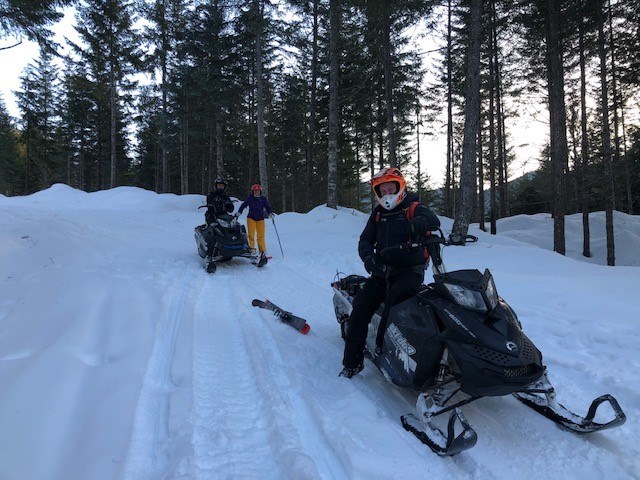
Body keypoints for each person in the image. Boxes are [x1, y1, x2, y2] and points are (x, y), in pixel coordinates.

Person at [340, 167, 440, 379]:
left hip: (409, 272)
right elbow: (365, 240)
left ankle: (385, 349)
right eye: (382, 190)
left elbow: (431, 219)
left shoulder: (413, 207)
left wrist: (422, 223)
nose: (387, 193)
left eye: (390, 188)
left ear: (399, 187)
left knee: (396, 306)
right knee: (360, 307)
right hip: (382, 272)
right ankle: (352, 362)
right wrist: (368, 258)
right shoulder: (378, 215)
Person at [238, 184, 274, 256]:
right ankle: (252, 249)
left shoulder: (263, 198)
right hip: (251, 218)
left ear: (260, 191)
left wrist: (270, 213)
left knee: (261, 236)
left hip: (260, 219)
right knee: (251, 235)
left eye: (257, 191)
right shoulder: (250, 198)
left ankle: (262, 251)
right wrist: (239, 212)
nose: (256, 192)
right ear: (252, 191)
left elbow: (267, 206)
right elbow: (243, 205)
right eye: (254, 191)